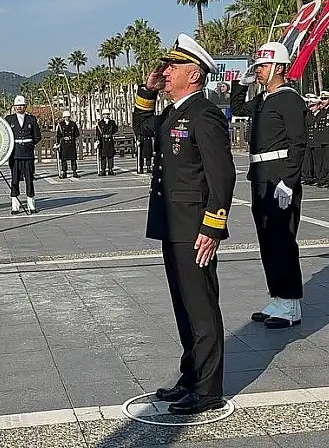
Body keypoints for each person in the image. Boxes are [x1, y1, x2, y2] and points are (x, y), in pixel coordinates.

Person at [134, 33, 235, 415]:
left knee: (201, 307)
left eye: (173, 66)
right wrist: (148, 88)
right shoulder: (175, 112)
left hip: (194, 228)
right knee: (183, 307)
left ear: (194, 74)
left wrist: (212, 228)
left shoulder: (204, 115)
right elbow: (143, 125)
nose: (167, 70)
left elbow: (221, 176)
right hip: (172, 225)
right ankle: (191, 375)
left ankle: (208, 390)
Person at [229, 41, 306, 329]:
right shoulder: (263, 99)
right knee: (267, 240)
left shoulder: (289, 100)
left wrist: (289, 181)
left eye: (262, 66)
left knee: (282, 240)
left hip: (279, 178)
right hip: (260, 176)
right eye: (257, 67)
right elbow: (238, 107)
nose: (258, 71)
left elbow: (298, 145)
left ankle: (290, 303)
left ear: (279, 67)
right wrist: (241, 83)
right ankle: (277, 296)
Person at [7, 96, 41, 213]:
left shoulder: (31, 119)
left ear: (25, 106)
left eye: (21, 105)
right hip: (15, 154)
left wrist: (29, 145)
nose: (19, 107)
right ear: (14, 107)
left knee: (29, 179)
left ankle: (31, 204)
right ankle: (15, 205)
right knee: (15, 179)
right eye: (17, 106)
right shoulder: (9, 119)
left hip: (28, 153)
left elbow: (37, 136)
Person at [56, 111, 80, 178]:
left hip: (71, 143)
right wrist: (57, 143)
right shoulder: (60, 124)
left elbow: (77, 134)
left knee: (73, 159)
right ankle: (64, 172)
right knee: (64, 159)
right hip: (64, 144)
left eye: (68, 117)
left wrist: (76, 141)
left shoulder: (73, 124)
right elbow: (58, 135)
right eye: (66, 117)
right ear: (64, 117)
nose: (67, 118)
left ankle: (74, 172)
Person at [95, 109, 118, 176]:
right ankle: (103, 170)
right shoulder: (100, 123)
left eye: (108, 114)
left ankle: (110, 169)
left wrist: (110, 134)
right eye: (105, 114)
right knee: (103, 156)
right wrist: (98, 140)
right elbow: (98, 133)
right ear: (103, 115)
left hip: (110, 140)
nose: (106, 115)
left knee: (110, 156)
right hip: (103, 141)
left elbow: (115, 129)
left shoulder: (112, 122)